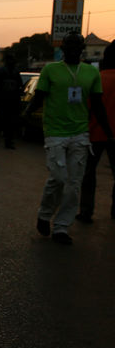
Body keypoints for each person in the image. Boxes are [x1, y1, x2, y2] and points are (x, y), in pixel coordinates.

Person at [25, 32, 114, 244]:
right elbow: (39, 97)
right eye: (69, 46)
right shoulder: (51, 70)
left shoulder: (91, 73)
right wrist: (24, 116)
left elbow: (98, 105)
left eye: (77, 46)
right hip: (55, 132)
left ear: (81, 49)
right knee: (58, 178)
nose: (73, 49)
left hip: (80, 134)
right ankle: (45, 214)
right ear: (63, 49)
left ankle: (62, 227)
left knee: (74, 184)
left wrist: (108, 133)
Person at [78, 42, 115, 223]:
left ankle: (86, 211)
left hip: (94, 134)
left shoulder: (98, 79)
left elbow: (87, 108)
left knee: (88, 174)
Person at [0, 54, 22, 148]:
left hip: (12, 100)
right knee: (1, 119)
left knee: (11, 122)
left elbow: (19, 86)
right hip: (3, 100)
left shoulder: (16, 72)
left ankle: (8, 141)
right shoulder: (1, 72)